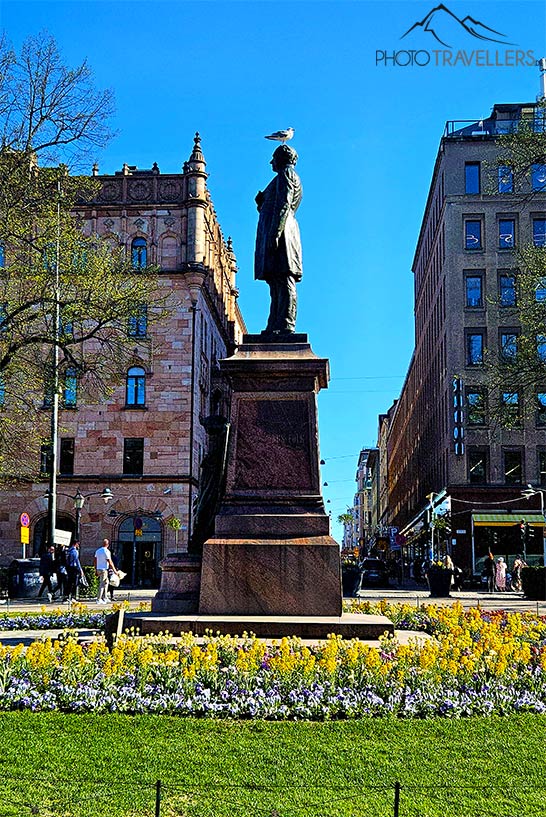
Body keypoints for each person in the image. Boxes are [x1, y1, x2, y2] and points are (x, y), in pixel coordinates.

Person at [254, 143, 303, 335]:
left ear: (281, 159)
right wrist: (262, 202)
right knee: (275, 282)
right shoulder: (280, 178)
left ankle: (286, 324)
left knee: (284, 279)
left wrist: (275, 233)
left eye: (273, 158)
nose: (270, 162)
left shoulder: (287, 175)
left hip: (282, 234)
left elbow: (284, 204)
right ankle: (275, 324)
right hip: (279, 231)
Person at [94, 538, 118, 604]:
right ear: (108, 544)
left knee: (106, 582)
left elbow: (95, 561)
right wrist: (115, 571)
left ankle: (105, 597)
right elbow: (110, 562)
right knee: (102, 584)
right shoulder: (106, 551)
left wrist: (95, 569)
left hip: (99, 568)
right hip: (104, 569)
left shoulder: (98, 551)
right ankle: (99, 599)